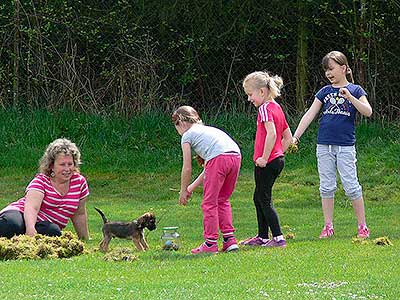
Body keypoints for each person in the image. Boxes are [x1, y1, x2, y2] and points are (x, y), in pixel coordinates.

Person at [292, 51, 372, 239]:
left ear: (343, 68)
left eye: (331, 68)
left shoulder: (356, 90)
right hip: (324, 146)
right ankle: (328, 227)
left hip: (345, 147)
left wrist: (350, 97)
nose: (328, 73)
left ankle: (362, 227)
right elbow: (309, 115)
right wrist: (296, 137)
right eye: (326, 70)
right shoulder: (324, 92)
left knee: (351, 186)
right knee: (326, 187)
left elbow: (367, 111)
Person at [172, 106, 241, 254]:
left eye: (176, 127)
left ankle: (210, 244)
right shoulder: (208, 130)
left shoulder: (187, 135)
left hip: (220, 159)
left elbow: (187, 168)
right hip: (235, 156)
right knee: (222, 200)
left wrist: (183, 190)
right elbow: (208, 169)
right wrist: (190, 188)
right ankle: (230, 240)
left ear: (181, 122)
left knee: (209, 203)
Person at [240, 71, 293, 248]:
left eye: (250, 94)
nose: (249, 99)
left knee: (264, 199)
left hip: (267, 162)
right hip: (277, 161)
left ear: (262, 92)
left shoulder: (265, 109)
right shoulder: (277, 108)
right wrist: (279, 153)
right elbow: (288, 137)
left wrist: (265, 157)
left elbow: (272, 133)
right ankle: (262, 236)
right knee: (258, 197)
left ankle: (278, 237)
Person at [0, 138, 90, 240]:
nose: (67, 169)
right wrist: (30, 229)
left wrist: (84, 238)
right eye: (62, 164)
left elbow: (79, 213)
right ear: (52, 165)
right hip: (22, 214)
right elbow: (32, 208)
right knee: (13, 225)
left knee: (54, 232)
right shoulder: (41, 181)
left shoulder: (79, 182)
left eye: (70, 164)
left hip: (43, 224)